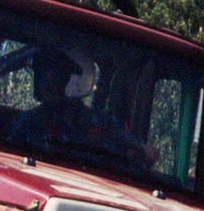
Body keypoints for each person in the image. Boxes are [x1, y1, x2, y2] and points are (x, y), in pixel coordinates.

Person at [17, 46, 156, 167]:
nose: (46, 83)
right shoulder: (29, 121)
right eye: (42, 76)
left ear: (74, 79)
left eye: (55, 76)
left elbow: (132, 148)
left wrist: (144, 151)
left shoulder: (103, 123)